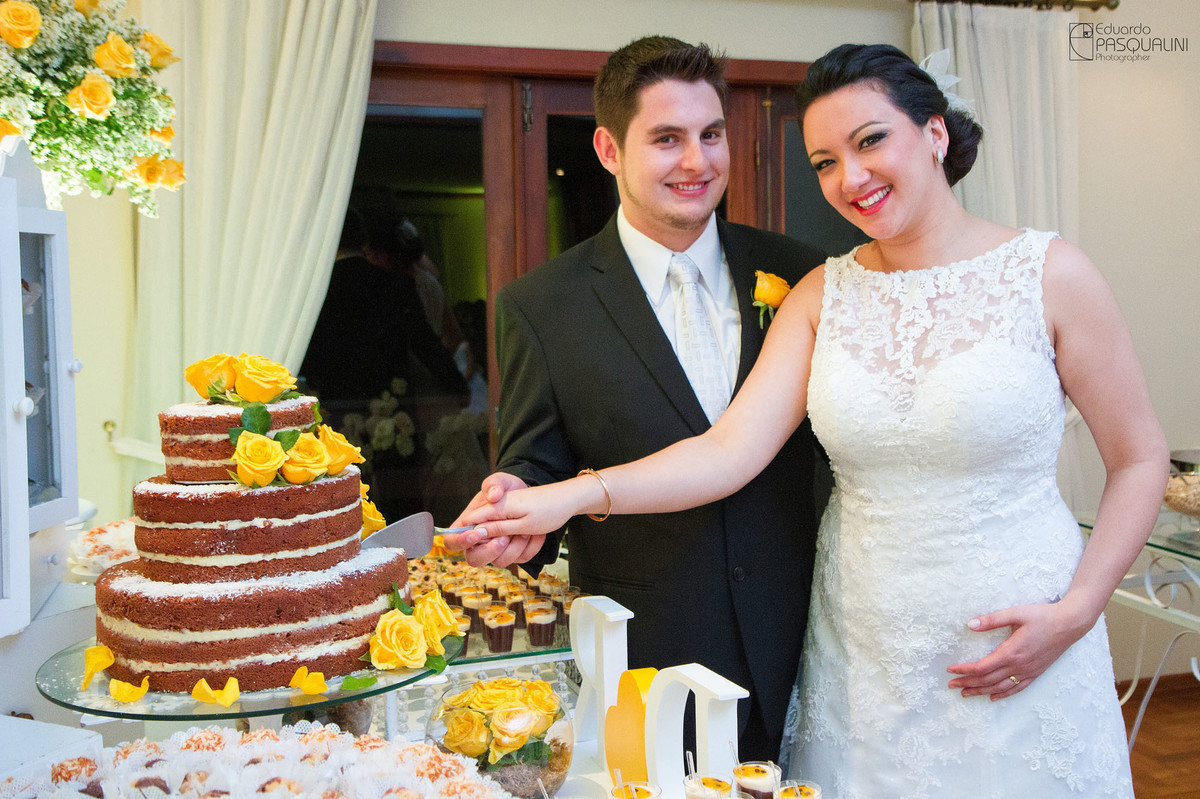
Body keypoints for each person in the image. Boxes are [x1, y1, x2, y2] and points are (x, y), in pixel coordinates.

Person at [454, 43, 1167, 796]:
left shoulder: (1051, 274)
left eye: (869, 142)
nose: (850, 178)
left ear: (935, 134)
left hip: (1022, 628)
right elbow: (729, 449)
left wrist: (1082, 608)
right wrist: (568, 493)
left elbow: (1140, 457)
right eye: (825, 161)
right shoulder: (824, 291)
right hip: (863, 656)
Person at [444, 36, 828, 761]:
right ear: (609, 149)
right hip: (651, 660)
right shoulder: (542, 305)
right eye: (667, 139)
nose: (698, 161)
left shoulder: (800, 272)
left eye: (711, 134)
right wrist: (513, 496)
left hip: (807, 639)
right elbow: (534, 461)